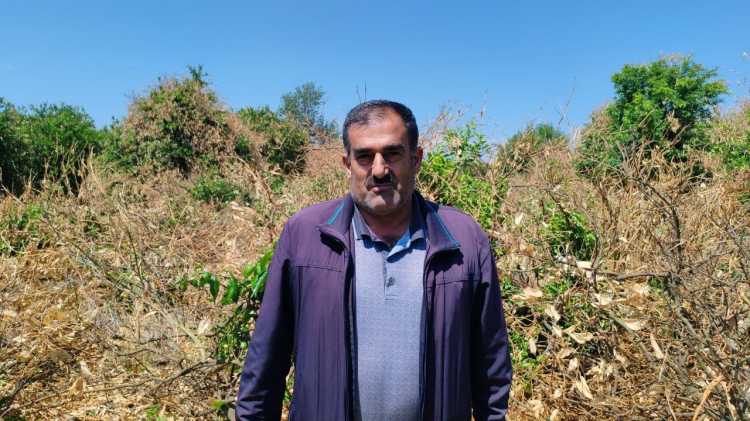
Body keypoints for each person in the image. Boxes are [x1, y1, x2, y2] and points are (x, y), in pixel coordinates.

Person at [236, 100, 512, 421]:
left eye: (392, 154)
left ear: (416, 159)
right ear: (347, 164)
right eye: (364, 156)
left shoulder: (463, 239)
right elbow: (267, 357)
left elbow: (490, 363)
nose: (379, 170)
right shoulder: (305, 236)